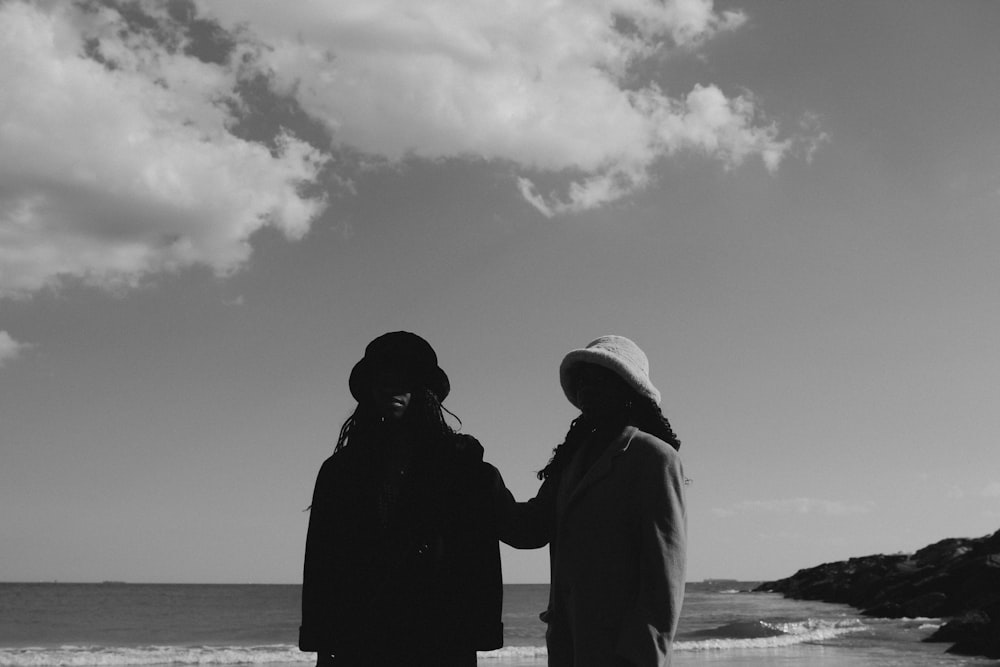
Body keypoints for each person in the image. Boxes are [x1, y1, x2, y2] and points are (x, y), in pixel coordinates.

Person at [299, 331, 503, 667]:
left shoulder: (461, 465)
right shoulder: (341, 470)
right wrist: (322, 644)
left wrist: (478, 635)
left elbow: (479, 553)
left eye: (402, 377)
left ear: (423, 389)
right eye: (380, 377)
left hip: (439, 638)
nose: (389, 385)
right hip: (361, 640)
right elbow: (322, 562)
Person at [496, 335, 687, 667]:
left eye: (600, 378)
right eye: (582, 380)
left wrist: (640, 656)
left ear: (629, 388)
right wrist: (480, 482)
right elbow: (529, 530)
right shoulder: (570, 462)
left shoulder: (653, 457)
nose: (586, 388)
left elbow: (665, 575)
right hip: (568, 650)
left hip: (623, 657)